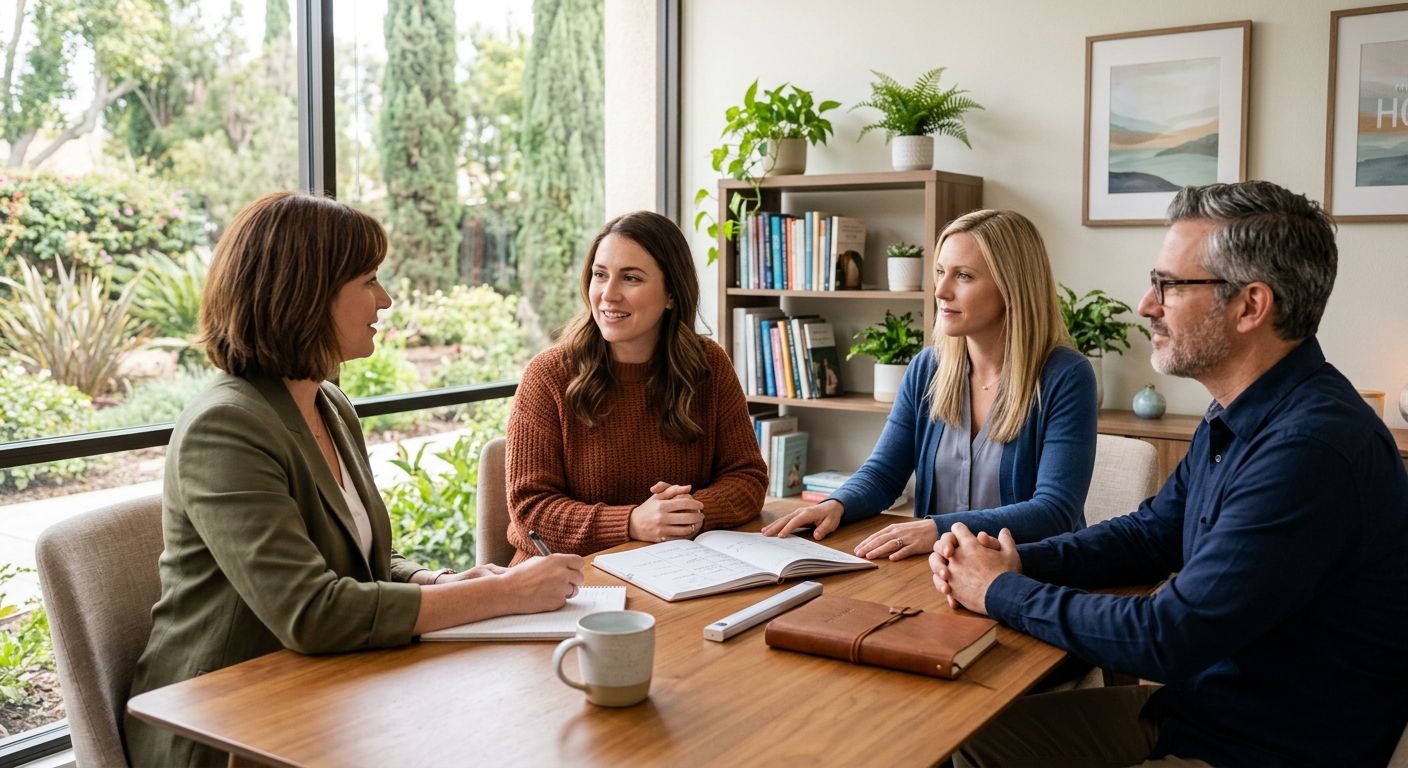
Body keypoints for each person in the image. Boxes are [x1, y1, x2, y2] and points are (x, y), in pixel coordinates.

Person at [933, 181, 1408, 767]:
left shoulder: (1309, 448)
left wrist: (999, 590)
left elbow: (1166, 636)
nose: (1146, 304)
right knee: (967, 737)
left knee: (963, 741)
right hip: (1205, 712)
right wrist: (1018, 560)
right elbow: (1148, 535)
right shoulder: (1239, 410)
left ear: (1250, 306)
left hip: (1257, 748)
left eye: (1169, 285)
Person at [124, 192, 585, 767]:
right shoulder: (227, 426)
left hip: (322, 691)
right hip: (224, 726)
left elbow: (346, 557)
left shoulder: (328, 404)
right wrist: (502, 594)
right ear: (306, 295)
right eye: (368, 280)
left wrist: (435, 580)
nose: (385, 299)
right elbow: (313, 612)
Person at [763, 209, 1096, 561]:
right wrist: (837, 504)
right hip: (941, 573)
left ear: (1012, 287)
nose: (941, 290)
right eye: (940, 272)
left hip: (1033, 579)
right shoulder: (928, 368)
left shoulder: (1066, 376)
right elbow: (883, 474)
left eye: (963, 276)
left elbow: (1054, 512)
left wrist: (938, 528)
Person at [505, 210, 767, 562]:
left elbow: (747, 477)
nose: (608, 294)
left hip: (676, 569)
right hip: (567, 584)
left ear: (671, 294)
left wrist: (690, 512)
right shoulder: (549, 375)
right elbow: (529, 511)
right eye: (600, 275)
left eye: (630, 278)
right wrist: (630, 522)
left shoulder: (708, 366)